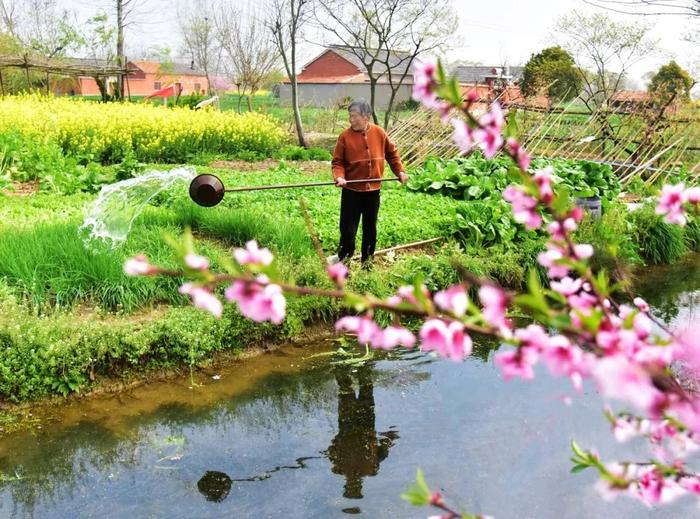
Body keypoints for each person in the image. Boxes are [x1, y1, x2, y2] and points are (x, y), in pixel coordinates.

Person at [329, 99, 408, 268]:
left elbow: (392, 154)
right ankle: (344, 260)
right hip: (352, 191)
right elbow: (337, 162)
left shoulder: (379, 133)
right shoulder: (344, 137)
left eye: (355, 116)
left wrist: (399, 171)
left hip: (373, 191)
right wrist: (339, 177)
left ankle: (368, 262)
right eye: (350, 116)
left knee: (370, 229)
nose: (351, 120)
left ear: (366, 116)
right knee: (348, 230)